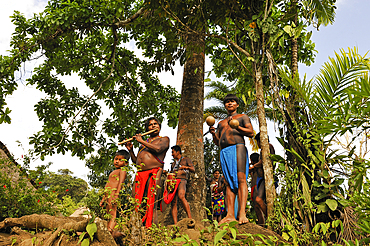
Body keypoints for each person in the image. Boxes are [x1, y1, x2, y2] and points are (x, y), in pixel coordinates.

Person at [209, 94, 254, 224]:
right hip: (224, 151)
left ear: (237, 104)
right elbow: (217, 142)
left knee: (241, 180)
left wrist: (237, 127)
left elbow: (250, 132)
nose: (230, 103)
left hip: (238, 148)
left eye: (232, 101)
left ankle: (241, 214)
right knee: (228, 183)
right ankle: (229, 215)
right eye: (227, 102)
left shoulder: (242, 117)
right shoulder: (221, 123)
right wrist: (213, 134)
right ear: (225, 105)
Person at [124, 117, 169, 228]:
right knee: (136, 202)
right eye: (150, 125)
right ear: (147, 128)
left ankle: (151, 232)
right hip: (140, 173)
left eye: (155, 124)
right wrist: (131, 150)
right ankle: (136, 229)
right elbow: (136, 162)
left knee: (151, 203)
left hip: (154, 172)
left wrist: (141, 141)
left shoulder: (164, 139)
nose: (153, 126)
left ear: (159, 126)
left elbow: (158, 149)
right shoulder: (144, 143)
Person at [99, 149, 130, 238]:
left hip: (113, 193)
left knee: (113, 213)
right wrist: (103, 198)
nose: (117, 161)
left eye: (120, 160)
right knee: (108, 212)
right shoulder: (114, 171)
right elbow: (108, 184)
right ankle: (110, 230)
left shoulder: (122, 170)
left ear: (126, 163)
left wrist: (116, 195)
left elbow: (121, 183)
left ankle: (110, 231)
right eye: (116, 159)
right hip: (108, 194)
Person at [249, 132, 275, 225]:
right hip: (262, 179)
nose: (258, 145)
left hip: (267, 179)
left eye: (258, 142)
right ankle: (269, 220)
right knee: (260, 201)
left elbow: (264, 161)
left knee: (259, 200)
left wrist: (253, 166)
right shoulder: (263, 150)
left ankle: (271, 219)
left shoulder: (268, 147)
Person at [166, 145, 195, 224]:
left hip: (182, 180)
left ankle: (190, 218)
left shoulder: (186, 160)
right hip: (173, 181)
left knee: (181, 196)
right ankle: (175, 224)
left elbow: (193, 169)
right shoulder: (173, 164)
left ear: (178, 152)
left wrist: (185, 167)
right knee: (173, 202)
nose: (172, 154)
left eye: (173, 152)